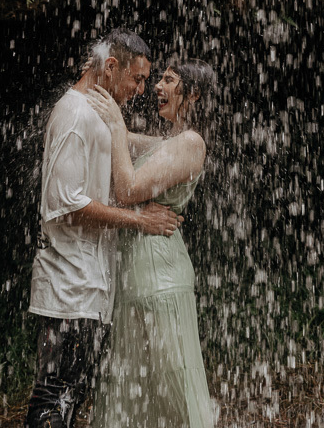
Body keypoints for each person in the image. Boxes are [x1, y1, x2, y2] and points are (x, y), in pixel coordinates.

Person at [25, 30, 183, 428]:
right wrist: (139, 219)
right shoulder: (75, 114)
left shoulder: (94, 113)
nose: (142, 89)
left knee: (68, 401)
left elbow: (123, 145)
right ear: (111, 66)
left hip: (89, 287)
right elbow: (66, 203)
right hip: (68, 286)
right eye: (138, 78)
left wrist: (184, 146)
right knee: (50, 405)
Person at [86, 59, 217, 428]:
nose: (157, 86)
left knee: (174, 388)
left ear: (192, 94)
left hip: (161, 276)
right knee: (134, 388)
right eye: (158, 79)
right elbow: (122, 141)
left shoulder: (191, 143)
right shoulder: (170, 142)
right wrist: (94, 103)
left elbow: (128, 189)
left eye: (169, 80)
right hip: (139, 275)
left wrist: (114, 120)